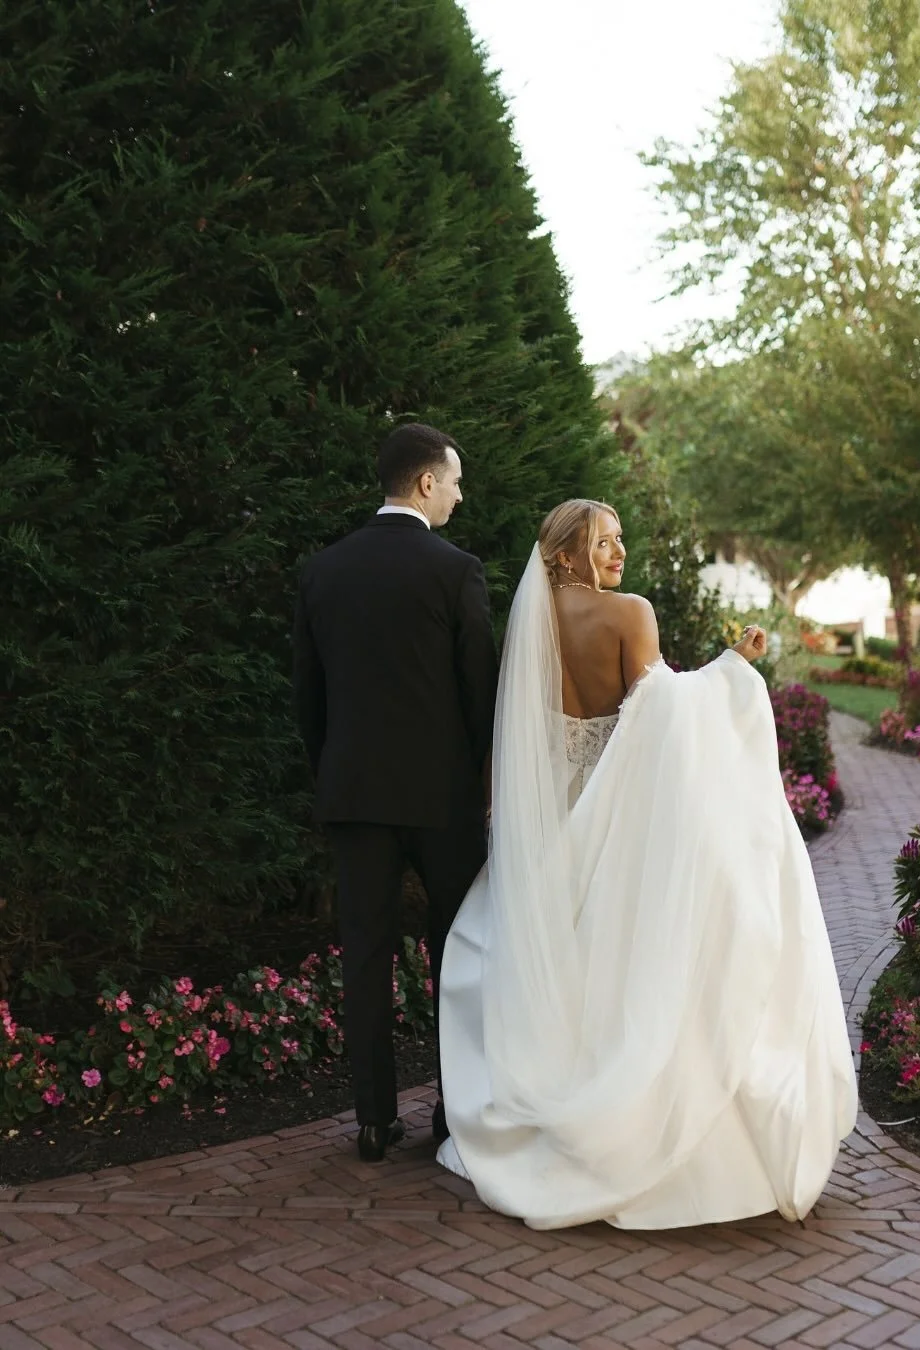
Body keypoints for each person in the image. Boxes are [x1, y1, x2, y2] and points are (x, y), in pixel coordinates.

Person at [436, 498, 857, 1228]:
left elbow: (524, 735)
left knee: (559, 961)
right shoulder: (630, 614)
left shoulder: (531, 626)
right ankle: (630, 1123)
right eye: (606, 542)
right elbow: (662, 712)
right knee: (633, 959)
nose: (619, 555)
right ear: (567, 551)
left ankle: (547, 1103)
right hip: (613, 812)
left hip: (551, 818)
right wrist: (734, 668)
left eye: (621, 543)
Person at [292, 423, 498, 1162]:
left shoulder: (323, 571)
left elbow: (307, 701)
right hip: (441, 801)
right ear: (423, 484)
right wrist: (480, 781)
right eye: (454, 482)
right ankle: (453, 1112)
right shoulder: (456, 571)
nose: (459, 495)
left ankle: (374, 1121)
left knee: (366, 956)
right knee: (460, 955)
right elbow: (481, 695)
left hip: (355, 795)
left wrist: (336, 773)